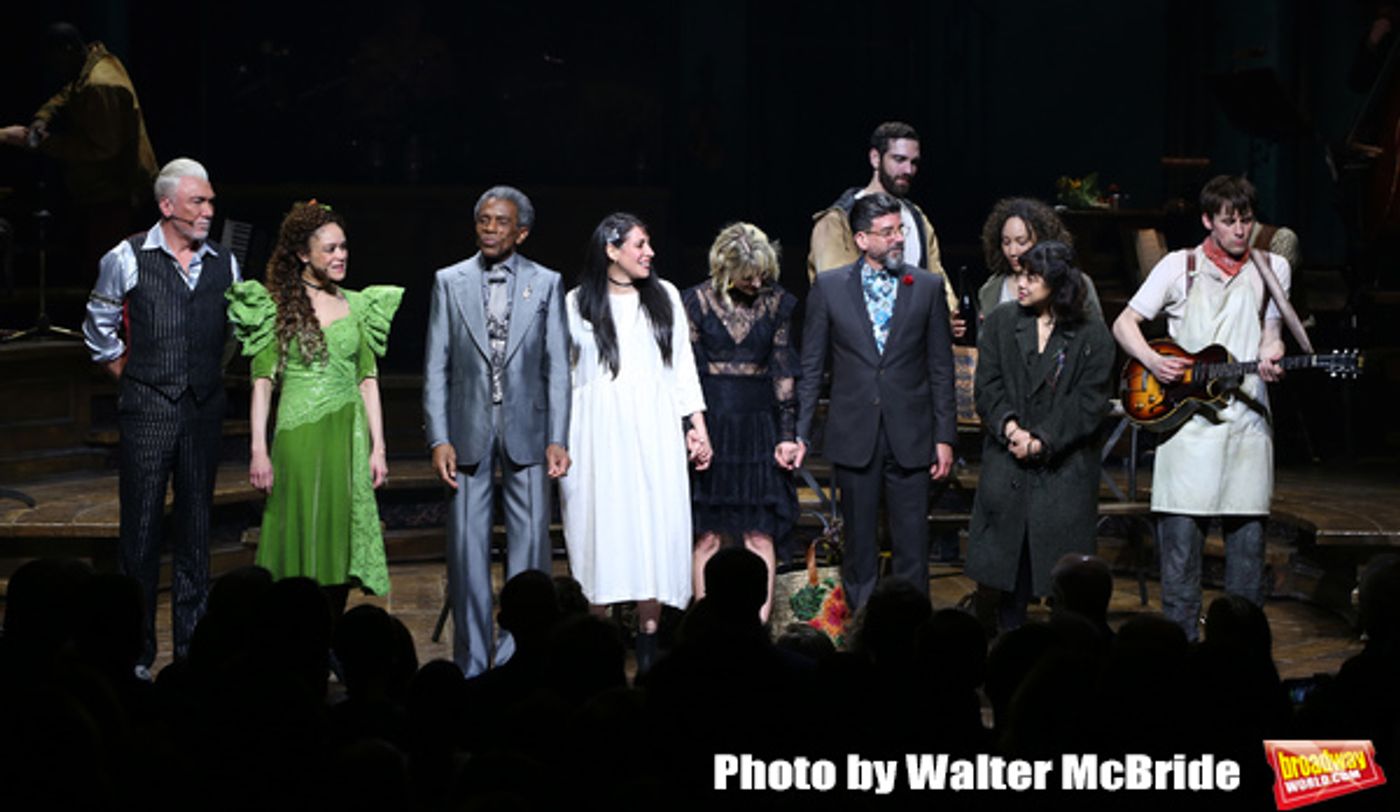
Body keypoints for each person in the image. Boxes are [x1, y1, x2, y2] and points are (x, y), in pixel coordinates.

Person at [1112, 175, 1290, 641]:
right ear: (1208, 220)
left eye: (1246, 221)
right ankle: (1181, 653)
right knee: (1180, 560)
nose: (1239, 231)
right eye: (1229, 222)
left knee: (1247, 559)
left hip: (1247, 422)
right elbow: (1125, 323)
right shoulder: (1178, 266)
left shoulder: (1273, 266)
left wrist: (1273, 347)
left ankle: (1241, 658)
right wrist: (1152, 360)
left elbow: (1271, 328)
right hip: (1187, 426)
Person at [81, 158, 237, 670]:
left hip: (202, 412)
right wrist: (132, 375)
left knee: (196, 535)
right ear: (167, 206)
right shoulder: (126, 257)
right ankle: (135, 655)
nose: (208, 211)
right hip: (146, 410)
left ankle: (192, 654)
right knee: (141, 534)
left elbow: (234, 332)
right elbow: (99, 329)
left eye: (211, 201)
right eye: (199, 201)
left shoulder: (224, 262)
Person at [423, 186, 570, 677]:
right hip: (468, 430)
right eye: (483, 220)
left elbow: (557, 369)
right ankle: (472, 664)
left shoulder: (546, 283)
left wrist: (558, 437)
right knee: (466, 552)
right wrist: (438, 436)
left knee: (530, 556)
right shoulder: (450, 281)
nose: (489, 228)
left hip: (528, 429)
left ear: (521, 231)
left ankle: (521, 660)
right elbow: (436, 366)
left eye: (500, 221)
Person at [227, 201, 401, 615]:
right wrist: (257, 449)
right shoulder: (275, 306)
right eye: (329, 249)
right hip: (298, 437)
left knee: (339, 540)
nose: (340, 256)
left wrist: (378, 447)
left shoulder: (360, 306)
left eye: (343, 247)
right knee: (299, 536)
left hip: (347, 437)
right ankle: (295, 638)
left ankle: (330, 634)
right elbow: (263, 382)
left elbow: (368, 380)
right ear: (304, 254)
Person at [792, 193, 957, 612]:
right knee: (859, 548)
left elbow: (941, 369)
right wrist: (800, 433)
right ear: (862, 239)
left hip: (912, 436)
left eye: (899, 229)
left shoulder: (927, 287)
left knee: (911, 550)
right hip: (854, 436)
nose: (898, 238)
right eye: (888, 232)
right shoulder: (830, 288)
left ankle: (913, 637)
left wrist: (945, 437)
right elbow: (811, 366)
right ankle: (862, 634)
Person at [560, 212, 709, 672]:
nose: (650, 253)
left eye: (649, 244)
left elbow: (682, 366)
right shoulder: (577, 302)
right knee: (600, 530)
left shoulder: (663, 297)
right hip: (597, 434)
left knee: (652, 531)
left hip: (654, 430)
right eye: (640, 244)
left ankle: (648, 648)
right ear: (612, 250)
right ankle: (597, 648)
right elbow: (566, 376)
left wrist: (697, 425)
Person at [964, 241, 1114, 632]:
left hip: (1062, 469)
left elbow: (1089, 401)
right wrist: (1012, 429)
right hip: (1008, 463)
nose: (1021, 284)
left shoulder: (1092, 334)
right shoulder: (1000, 322)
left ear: (1058, 283)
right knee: (1008, 579)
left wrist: (1042, 440)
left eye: (1032, 277)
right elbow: (988, 387)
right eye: (1020, 275)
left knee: (1064, 584)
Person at [683, 222, 799, 622]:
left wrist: (787, 435)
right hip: (711, 423)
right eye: (747, 272)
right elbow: (686, 375)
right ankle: (702, 625)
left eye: (761, 271)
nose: (756, 280)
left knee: (759, 533)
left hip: (758, 427)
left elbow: (784, 372)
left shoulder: (777, 303)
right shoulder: (695, 302)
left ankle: (758, 628)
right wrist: (691, 430)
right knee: (707, 535)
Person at [0, 23, 158, 279]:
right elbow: (67, 93)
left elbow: (102, 148)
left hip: (113, 193)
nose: (53, 68)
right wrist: (43, 117)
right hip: (100, 192)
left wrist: (44, 143)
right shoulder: (94, 62)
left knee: (107, 274)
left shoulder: (99, 84)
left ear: (69, 49)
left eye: (55, 60)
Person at [807, 120, 964, 337]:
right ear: (875, 158)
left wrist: (948, 313)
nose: (908, 170)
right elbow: (835, 294)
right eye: (899, 159)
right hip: (860, 349)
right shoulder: (839, 221)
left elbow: (935, 275)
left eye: (914, 162)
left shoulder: (917, 219)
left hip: (914, 348)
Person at [977, 197, 1103, 321]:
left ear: (1042, 240)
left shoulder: (1075, 282)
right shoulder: (991, 289)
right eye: (1006, 242)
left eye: (1022, 242)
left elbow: (1095, 333)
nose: (1012, 252)